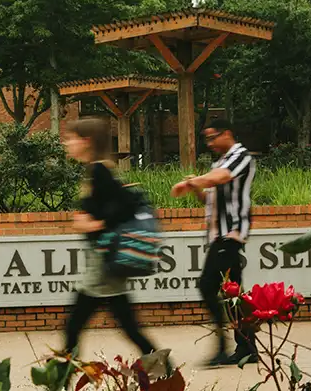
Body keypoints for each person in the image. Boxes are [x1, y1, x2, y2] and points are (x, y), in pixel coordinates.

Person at [62, 117, 162, 360]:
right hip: (103, 262)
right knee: (129, 328)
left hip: (101, 266)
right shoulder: (98, 169)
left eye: (70, 139)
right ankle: (165, 373)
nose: (67, 144)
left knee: (73, 328)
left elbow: (124, 207)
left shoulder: (99, 170)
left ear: (86, 141)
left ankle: (58, 388)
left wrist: (94, 223)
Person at [171, 121, 256, 366]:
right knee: (233, 295)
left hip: (230, 235)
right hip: (220, 236)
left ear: (227, 134)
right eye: (206, 139)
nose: (209, 144)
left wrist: (191, 182)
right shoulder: (218, 162)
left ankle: (223, 347)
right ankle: (247, 348)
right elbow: (209, 197)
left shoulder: (241, 156)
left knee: (208, 286)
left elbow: (221, 178)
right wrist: (195, 188)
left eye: (212, 138)